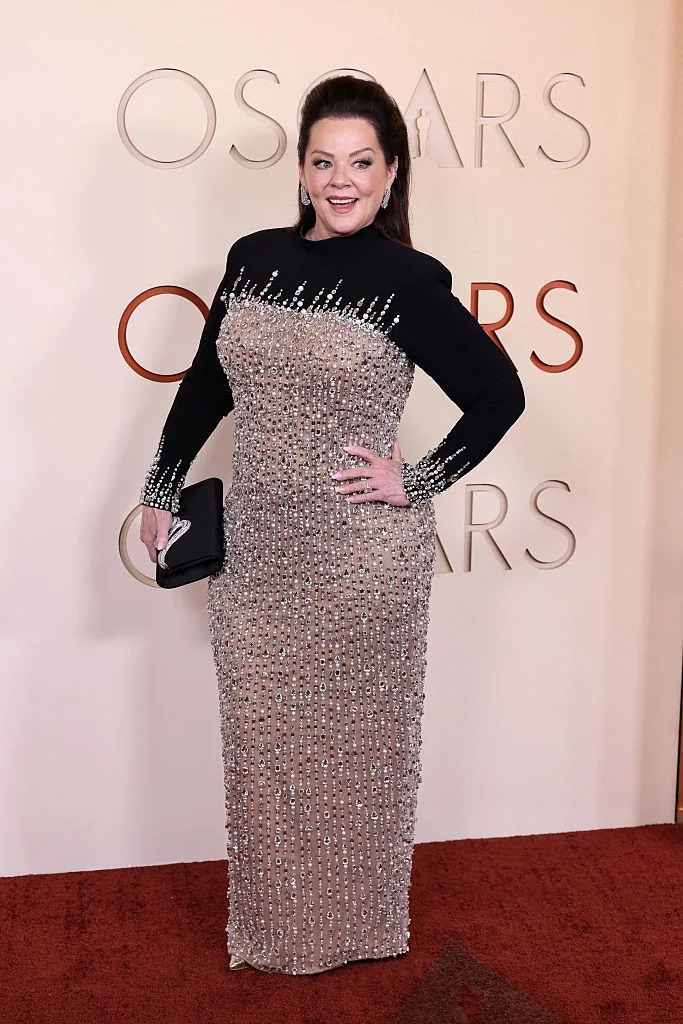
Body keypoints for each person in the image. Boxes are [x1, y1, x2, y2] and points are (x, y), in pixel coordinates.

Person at [138, 75, 525, 975]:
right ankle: (277, 933)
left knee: (360, 759)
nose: (340, 179)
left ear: (390, 175)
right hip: (261, 557)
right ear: (303, 169)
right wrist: (162, 482)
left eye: (360, 162)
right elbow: (208, 384)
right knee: (266, 753)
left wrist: (417, 480)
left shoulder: (406, 281)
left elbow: (497, 395)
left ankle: (357, 930)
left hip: (361, 566)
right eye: (323, 161)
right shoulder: (251, 257)